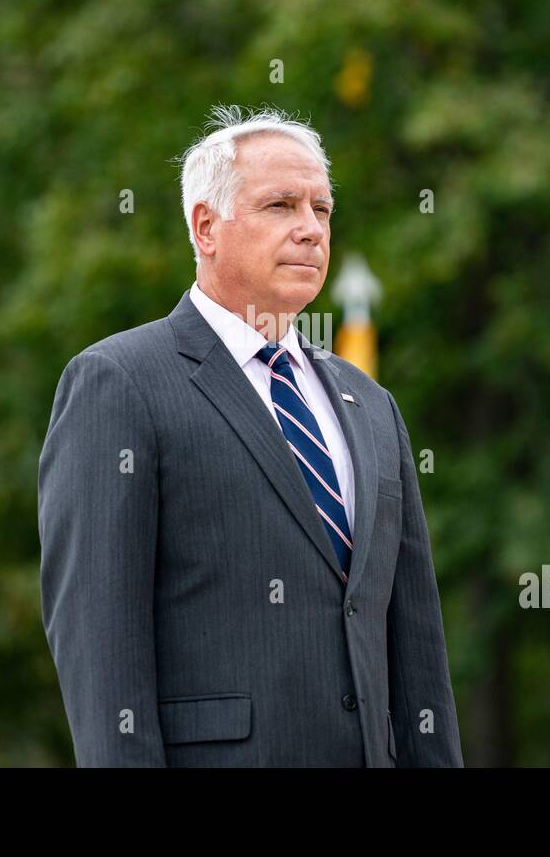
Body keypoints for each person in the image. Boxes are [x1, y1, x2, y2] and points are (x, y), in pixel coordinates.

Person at [38, 105, 463, 767]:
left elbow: (416, 652)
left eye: (321, 210)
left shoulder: (370, 403)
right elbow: (101, 648)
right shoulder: (118, 384)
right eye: (281, 206)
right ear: (207, 226)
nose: (311, 231)